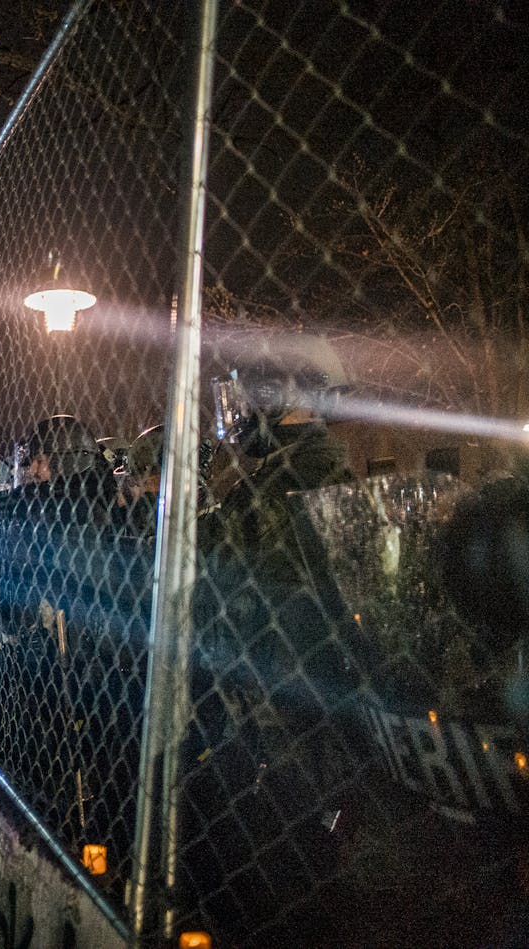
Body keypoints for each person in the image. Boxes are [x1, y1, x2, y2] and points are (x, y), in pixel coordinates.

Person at [183, 332, 358, 945]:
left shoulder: (267, 495)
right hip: (323, 742)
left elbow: (208, 604)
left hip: (270, 748)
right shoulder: (337, 481)